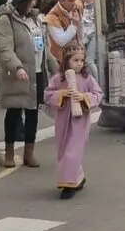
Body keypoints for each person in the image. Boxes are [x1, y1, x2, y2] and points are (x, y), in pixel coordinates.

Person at [0, 0, 56, 168]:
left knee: (32, 114)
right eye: (29, 0)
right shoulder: (6, 20)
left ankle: (29, 152)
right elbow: (4, 48)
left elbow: (45, 49)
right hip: (18, 74)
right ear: (21, 1)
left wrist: (57, 70)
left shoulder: (36, 19)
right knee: (13, 113)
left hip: (36, 72)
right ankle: (10, 152)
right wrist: (17, 67)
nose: (33, 3)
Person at [43, 42, 102, 199]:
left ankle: (67, 185)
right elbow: (48, 95)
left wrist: (84, 97)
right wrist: (61, 94)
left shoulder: (86, 78)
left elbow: (98, 94)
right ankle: (79, 177)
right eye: (75, 60)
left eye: (81, 61)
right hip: (63, 120)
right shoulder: (58, 79)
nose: (79, 64)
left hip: (79, 121)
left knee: (72, 151)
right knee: (64, 150)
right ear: (67, 60)